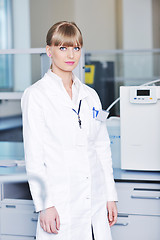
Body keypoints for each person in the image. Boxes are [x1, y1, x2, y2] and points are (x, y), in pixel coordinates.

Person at [21, 21, 118, 240]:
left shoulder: (90, 95)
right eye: (62, 48)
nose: (70, 54)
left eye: (76, 47)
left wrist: (110, 196)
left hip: (95, 199)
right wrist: (45, 205)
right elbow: (34, 157)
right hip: (60, 200)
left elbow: (102, 148)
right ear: (49, 51)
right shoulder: (36, 95)